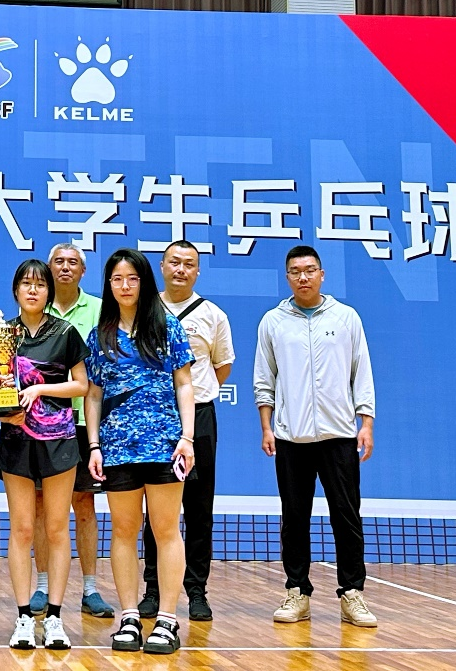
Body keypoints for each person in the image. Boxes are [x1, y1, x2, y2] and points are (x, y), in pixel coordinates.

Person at [255, 245, 377, 628]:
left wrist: (366, 423)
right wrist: (267, 426)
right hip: (291, 438)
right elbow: (264, 378)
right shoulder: (273, 322)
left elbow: (361, 371)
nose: (303, 277)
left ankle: (352, 593)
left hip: (339, 437)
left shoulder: (346, 318)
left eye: (309, 270)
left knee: (346, 516)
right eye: (295, 271)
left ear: (322, 275)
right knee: (294, 518)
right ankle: (297, 592)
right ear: (287, 277)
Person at [85, 248, 196, 655]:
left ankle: (167, 619)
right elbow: (93, 395)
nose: (125, 286)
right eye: (117, 279)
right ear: (109, 285)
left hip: (165, 445)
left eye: (132, 278)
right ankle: (129, 616)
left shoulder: (167, 327)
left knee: (166, 530)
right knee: (123, 531)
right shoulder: (100, 335)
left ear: (145, 282)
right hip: (118, 449)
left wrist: (187, 437)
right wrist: (94, 445)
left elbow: (184, 384)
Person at [138, 240, 234, 622]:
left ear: (197, 271)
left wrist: (193, 399)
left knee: (198, 508)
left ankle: (196, 591)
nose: (181, 269)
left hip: (200, 418)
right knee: (156, 511)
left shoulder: (213, 315)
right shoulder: (144, 309)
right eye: (174, 262)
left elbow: (221, 366)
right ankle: (153, 589)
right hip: (154, 418)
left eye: (189, 264)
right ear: (162, 267)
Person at [0, 259, 88, 652]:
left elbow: (81, 386)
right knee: (21, 529)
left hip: (59, 439)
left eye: (40, 284)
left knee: (56, 528)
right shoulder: (2, 334)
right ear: (16, 290)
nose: (33, 290)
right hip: (16, 439)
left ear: (49, 291)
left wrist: (40, 390)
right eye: (26, 283)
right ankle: (22, 617)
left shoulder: (65, 333)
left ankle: (54, 618)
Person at [40, 243, 113, 619]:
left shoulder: (101, 310)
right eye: (58, 262)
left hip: (86, 422)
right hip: (42, 423)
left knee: (84, 504)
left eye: (73, 262)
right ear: (48, 268)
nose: (65, 268)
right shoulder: (35, 308)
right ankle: (41, 586)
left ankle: (90, 588)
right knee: (40, 506)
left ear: (83, 271)